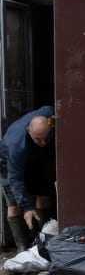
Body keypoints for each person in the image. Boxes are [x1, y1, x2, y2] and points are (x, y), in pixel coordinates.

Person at [0, 105, 55, 251]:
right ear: (29, 131)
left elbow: (50, 107)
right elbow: (15, 178)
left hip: (34, 159)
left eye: (47, 138)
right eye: (39, 139)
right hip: (8, 164)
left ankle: (46, 241)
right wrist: (26, 207)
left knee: (44, 197)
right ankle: (22, 248)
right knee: (14, 206)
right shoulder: (16, 145)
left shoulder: (48, 114)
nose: (44, 143)